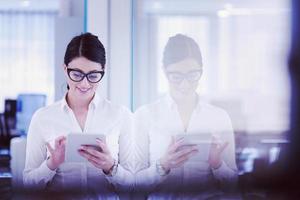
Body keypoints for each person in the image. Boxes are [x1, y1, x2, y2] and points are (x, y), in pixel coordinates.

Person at [23, 32, 134, 199]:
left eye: (93, 76)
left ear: (103, 71)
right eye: (76, 74)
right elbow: (28, 185)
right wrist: (51, 164)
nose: (84, 83)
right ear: (65, 69)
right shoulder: (42, 118)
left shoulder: (120, 115)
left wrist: (111, 167)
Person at [134, 34, 238, 199]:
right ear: (164, 71)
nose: (185, 84)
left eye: (192, 75)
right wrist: (163, 165)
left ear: (201, 71)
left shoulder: (219, 117)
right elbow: (132, 185)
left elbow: (234, 188)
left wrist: (218, 165)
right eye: (176, 77)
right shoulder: (145, 116)